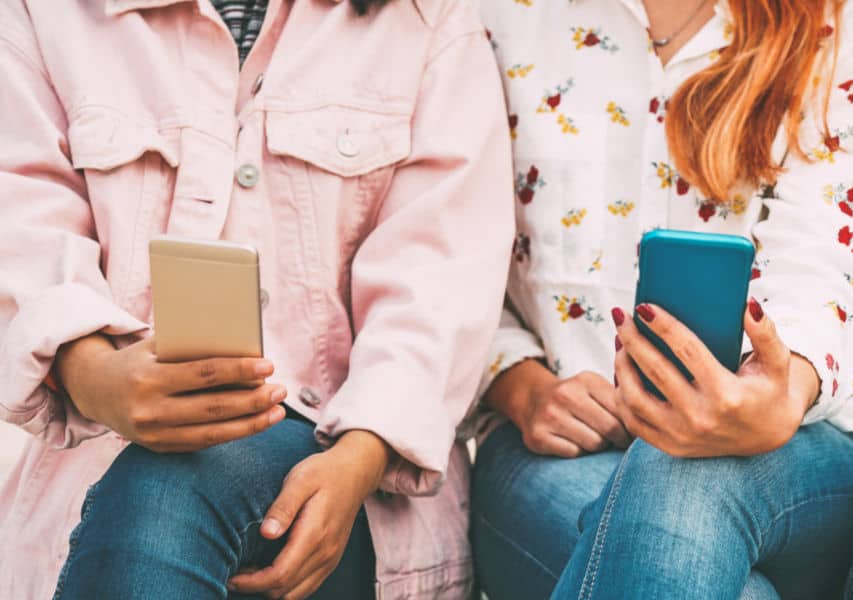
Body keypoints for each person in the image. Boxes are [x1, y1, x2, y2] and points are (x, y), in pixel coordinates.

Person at [0, 0, 514, 598]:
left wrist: (364, 455)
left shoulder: (430, 21)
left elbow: (439, 272)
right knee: (163, 495)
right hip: (97, 491)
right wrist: (89, 370)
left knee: (171, 490)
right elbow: (21, 214)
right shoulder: (43, 13)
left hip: (351, 486)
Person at [468, 0, 853, 598]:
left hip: (798, 444)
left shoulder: (829, 21)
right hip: (554, 446)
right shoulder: (493, 15)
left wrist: (779, 394)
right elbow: (444, 251)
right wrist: (520, 385)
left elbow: (824, 252)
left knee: (675, 477)